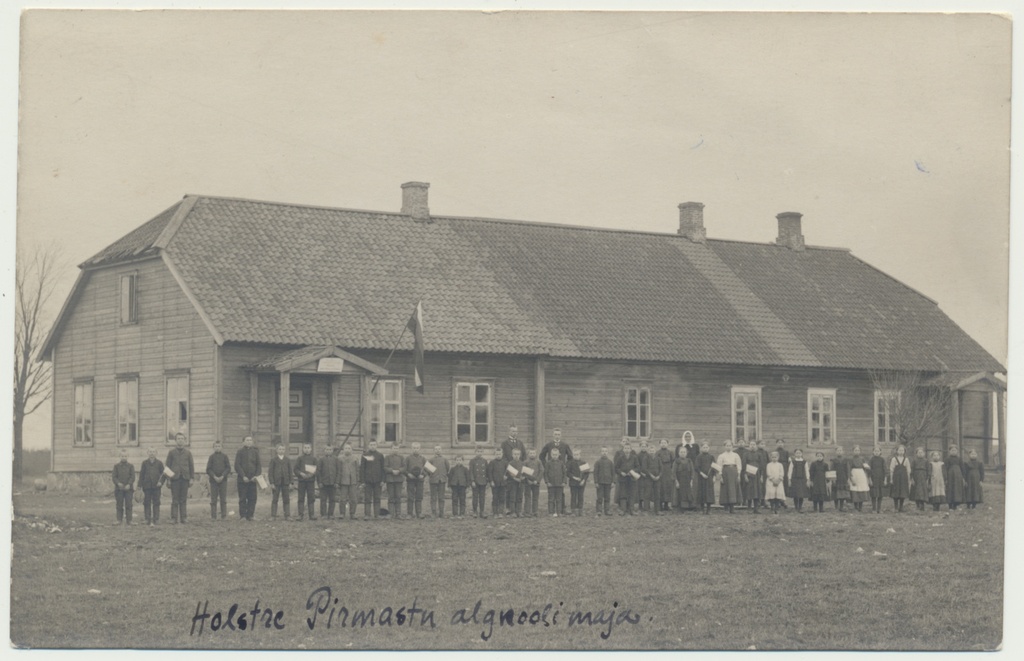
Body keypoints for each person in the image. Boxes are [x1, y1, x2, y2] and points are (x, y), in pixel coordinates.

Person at [165, 433, 195, 524]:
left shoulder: (188, 453)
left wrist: (191, 478)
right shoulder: (171, 452)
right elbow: (167, 467)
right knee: (175, 499)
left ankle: (183, 518)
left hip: (185, 478)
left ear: (184, 440)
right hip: (175, 479)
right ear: (175, 440)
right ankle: (174, 518)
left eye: (182, 438)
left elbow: (191, 466)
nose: (180, 440)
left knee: (183, 499)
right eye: (178, 438)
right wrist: (168, 479)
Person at [234, 435, 261, 521]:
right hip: (243, 480)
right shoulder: (240, 452)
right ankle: (243, 516)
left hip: (253, 479)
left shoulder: (255, 452)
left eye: (250, 440)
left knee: (252, 498)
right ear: (243, 442)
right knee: (242, 498)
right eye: (247, 440)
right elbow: (237, 465)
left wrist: (256, 476)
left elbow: (258, 466)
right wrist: (243, 476)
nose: (249, 442)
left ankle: (250, 515)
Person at [138, 447, 165, 526]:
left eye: (153, 452)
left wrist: (161, 482)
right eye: (150, 452)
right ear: (148, 453)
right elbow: (141, 475)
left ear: (156, 453)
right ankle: (147, 518)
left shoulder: (159, 463)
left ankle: (156, 519)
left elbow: (163, 475)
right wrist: (139, 485)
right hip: (147, 486)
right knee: (147, 502)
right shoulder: (144, 463)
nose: (152, 453)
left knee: (156, 502)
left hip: (156, 486)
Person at [360, 440, 386, 520]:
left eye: (374, 444)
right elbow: (362, 469)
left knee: (377, 498)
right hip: (368, 481)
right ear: (368, 445)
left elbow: (383, 469)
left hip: (378, 481)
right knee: (367, 498)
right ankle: (367, 514)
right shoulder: (365, 455)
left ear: (376, 446)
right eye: (371, 445)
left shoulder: (380, 455)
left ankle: (377, 514)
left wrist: (383, 480)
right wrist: (362, 481)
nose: (372, 446)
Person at [206, 441, 231, 520]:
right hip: (213, 481)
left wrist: (223, 476)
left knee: (223, 499)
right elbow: (208, 469)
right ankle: (213, 516)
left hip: (223, 481)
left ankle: (224, 515)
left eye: (219, 446)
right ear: (213, 448)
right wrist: (214, 476)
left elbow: (228, 468)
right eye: (216, 446)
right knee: (213, 499)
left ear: (222, 447)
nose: (217, 448)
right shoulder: (211, 457)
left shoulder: (225, 456)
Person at [294, 443, 318, 521]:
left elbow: (317, 469)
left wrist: (311, 475)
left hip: (310, 481)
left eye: (308, 448)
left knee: (311, 498)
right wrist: (301, 473)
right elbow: (295, 469)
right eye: (305, 447)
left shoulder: (314, 459)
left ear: (311, 449)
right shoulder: (299, 458)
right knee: (301, 498)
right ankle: (300, 515)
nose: (307, 449)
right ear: (303, 449)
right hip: (302, 481)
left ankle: (312, 514)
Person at [717, 440, 742, 513]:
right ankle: (726, 507)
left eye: (730, 445)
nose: (728, 447)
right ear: (724, 446)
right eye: (727, 446)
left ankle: (732, 507)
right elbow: (719, 466)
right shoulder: (721, 456)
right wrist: (720, 475)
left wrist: (739, 474)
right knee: (725, 489)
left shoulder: (735, 455)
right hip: (725, 472)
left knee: (733, 489)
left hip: (733, 472)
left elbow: (739, 465)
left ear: (732, 446)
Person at [403, 442, 427, 519]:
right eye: (414, 448)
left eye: (417, 448)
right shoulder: (408, 458)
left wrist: (423, 475)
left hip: (420, 480)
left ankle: (419, 513)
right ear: (411, 449)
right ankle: (409, 513)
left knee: (419, 496)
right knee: (410, 496)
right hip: (410, 480)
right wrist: (408, 474)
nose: (415, 450)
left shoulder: (423, 458)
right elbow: (404, 469)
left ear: (419, 449)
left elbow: (429, 469)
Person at [268, 444, 292, 519]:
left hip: (285, 482)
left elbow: (290, 472)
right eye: (280, 449)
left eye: (283, 449)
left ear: (285, 450)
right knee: (275, 499)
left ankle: (287, 515)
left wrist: (291, 482)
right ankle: (273, 515)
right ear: (276, 450)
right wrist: (272, 483)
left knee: (286, 499)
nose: (281, 451)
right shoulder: (273, 460)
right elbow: (270, 472)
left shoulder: (287, 460)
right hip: (276, 483)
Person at [112, 450, 135, 525]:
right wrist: (118, 483)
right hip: (119, 489)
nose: (124, 457)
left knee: (129, 504)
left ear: (127, 457)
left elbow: (133, 476)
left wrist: (129, 484)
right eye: (122, 456)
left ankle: (129, 520)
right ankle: (119, 520)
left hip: (129, 489)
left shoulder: (131, 466)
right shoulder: (116, 466)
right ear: (120, 457)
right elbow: (114, 477)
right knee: (119, 504)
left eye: (125, 456)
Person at [614, 440, 638, 515]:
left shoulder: (634, 457)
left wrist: (632, 472)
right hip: (623, 479)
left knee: (631, 493)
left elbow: (638, 467)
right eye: (625, 448)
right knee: (623, 494)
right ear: (623, 449)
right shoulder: (620, 458)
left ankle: (631, 510)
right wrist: (621, 472)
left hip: (631, 478)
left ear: (631, 449)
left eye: (628, 448)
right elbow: (616, 468)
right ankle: (623, 510)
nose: (627, 450)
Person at [317, 444, 340, 519]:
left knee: (332, 499)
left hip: (333, 483)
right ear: (324, 451)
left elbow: (338, 471)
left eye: (330, 450)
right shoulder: (321, 459)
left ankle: (331, 514)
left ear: (332, 451)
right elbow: (318, 472)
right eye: (327, 450)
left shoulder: (336, 459)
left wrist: (337, 482)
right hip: (324, 483)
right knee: (323, 499)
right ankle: (323, 514)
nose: (328, 451)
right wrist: (320, 482)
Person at [427, 445, 450, 519]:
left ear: (441, 450)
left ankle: (441, 512)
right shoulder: (431, 460)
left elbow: (447, 468)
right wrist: (432, 475)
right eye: (436, 449)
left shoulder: (444, 459)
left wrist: (443, 476)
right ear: (433, 450)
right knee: (433, 497)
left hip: (441, 480)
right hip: (433, 480)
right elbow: (426, 469)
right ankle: (433, 512)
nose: (437, 450)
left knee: (441, 497)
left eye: (439, 449)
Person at [338, 444, 359, 520]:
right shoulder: (340, 458)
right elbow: (339, 471)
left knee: (353, 499)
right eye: (346, 448)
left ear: (351, 449)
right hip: (343, 481)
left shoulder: (355, 458)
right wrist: (338, 481)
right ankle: (342, 513)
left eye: (349, 448)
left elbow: (357, 470)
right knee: (342, 498)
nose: (347, 449)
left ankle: (352, 513)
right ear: (343, 450)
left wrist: (357, 480)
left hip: (353, 481)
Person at [468, 444, 490, 518]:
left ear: (482, 452)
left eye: (481, 451)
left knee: (482, 497)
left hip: (483, 481)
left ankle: (482, 511)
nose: (479, 453)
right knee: (475, 497)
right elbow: (470, 472)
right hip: (475, 482)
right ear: (475, 452)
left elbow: (487, 472)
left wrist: (487, 480)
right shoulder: (472, 461)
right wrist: (472, 481)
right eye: (478, 451)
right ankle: (475, 511)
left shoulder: (484, 461)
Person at [544, 446, 567, 517]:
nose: (554, 456)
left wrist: (564, 482)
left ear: (559, 455)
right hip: (551, 484)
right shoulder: (548, 463)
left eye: (556, 454)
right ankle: (551, 512)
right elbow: (545, 473)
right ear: (551, 455)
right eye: (553, 454)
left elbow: (564, 473)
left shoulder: (561, 463)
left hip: (559, 484)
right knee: (551, 499)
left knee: (559, 499)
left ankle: (559, 512)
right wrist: (547, 482)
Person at [742, 439, 763, 513]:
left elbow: (761, 466)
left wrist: (761, 476)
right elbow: (744, 465)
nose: (752, 446)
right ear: (749, 446)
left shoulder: (759, 454)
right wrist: (745, 475)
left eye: (754, 445)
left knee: (757, 491)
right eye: (751, 445)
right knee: (749, 491)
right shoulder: (746, 454)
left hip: (757, 474)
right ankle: (749, 508)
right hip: (749, 474)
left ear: (756, 446)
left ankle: (756, 508)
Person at [384, 445, 405, 519]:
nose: (395, 450)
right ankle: (390, 513)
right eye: (394, 448)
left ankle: (398, 513)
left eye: (397, 448)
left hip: (399, 479)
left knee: (398, 496)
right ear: (391, 449)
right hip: (390, 479)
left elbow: (404, 467)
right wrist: (392, 471)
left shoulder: (401, 458)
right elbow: (385, 467)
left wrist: (399, 470)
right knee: (391, 496)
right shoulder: (387, 457)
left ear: (399, 449)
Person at [695, 442, 716, 515]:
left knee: (709, 493)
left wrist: (714, 477)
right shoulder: (699, 457)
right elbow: (697, 467)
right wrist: (702, 474)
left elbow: (714, 468)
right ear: (701, 448)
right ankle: (702, 509)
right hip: (701, 477)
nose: (705, 449)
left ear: (709, 448)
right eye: (704, 447)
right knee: (702, 492)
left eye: (707, 447)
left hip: (709, 477)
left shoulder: (711, 457)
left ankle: (709, 509)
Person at [654, 439, 675, 513]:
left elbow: (673, 462)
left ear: (667, 444)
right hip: (660, 471)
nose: (663, 444)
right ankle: (660, 505)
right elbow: (655, 462)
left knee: (667, 487)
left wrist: (671, 471)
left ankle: (666, 504)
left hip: (668, 471)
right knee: (661, 487)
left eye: (665, 443)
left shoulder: (670, 453)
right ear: (659, 444)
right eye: (662, 443)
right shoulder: (657, 453)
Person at [673, 444, 696, 512]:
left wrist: (691, 480)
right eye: (681, 452)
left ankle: (690, 506)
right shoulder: (676, 461)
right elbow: (674, 472)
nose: (683, 454)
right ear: (678, 453)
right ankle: (681, 507)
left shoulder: (689, 461)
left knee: (689, 492)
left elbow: (692, 470)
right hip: (680, 479)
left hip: (688, 479)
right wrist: (676, 481)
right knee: (680, 492)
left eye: (684, 452)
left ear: (686, 453)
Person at [567, 450, 590, 517]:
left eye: (577, 454)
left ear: (580, 455)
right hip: (573, 483)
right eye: (574, 455)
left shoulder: (583, 463)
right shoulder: (570, 463)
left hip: (581, 483)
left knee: (580, 496)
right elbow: (568, 473)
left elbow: (586, 473)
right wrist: (574, 477)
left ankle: (580, 510)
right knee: (573, 496)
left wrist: (583, 480)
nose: (576, 456)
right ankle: (573, 511)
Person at [593, 446, 615, 516]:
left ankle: (607, 510)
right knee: (599, 497)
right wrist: (596, 482)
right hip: (600, 482)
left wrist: (613, 482)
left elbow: (613, 473)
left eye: (605, 451)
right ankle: (599, 510)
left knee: (607, 497)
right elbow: (595, 473)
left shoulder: (610, 462)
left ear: (607, 452)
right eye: (603, 451)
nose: (604, 453)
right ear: (600, 452)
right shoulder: (598, 462)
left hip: (608, 482)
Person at [889, 445, 911, 512]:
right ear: (897, 451)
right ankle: (896, 507)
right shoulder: (894, 459)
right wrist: (891, 479)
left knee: (902, 492)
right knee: (896, 492)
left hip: (903, 478)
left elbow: (908, 469)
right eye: (899, 450)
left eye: (902, 450)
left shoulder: (906, 459)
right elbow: (891, 469)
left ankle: (901, 507)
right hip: (896, 478)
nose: (901, 452)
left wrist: (908, 478)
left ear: (904, 451)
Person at [522, 448, 544, 517]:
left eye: (533, 453)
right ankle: (527, 511)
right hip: (528, 483)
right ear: (528, 454)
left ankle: (535, 511)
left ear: (536, 454)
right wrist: (528, 480)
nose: (532, 455)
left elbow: (541, 471)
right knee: (527, 497)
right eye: (530, 453)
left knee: (535, 497)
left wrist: (537, 480)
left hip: (536, 483)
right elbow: (523, 472)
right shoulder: (525, 462)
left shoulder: (539, 462)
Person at [945, 446, 967, 511]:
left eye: (955, 450)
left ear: (957, 451)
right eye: (952, 450)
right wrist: (946, 478)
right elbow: (945, 469)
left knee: (957, 490)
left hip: (958, 476)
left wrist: (963, 477)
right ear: (949, 451)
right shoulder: (947, 459)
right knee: (950, 490)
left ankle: (956, 505)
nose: (953, 452)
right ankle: (950, 506)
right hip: (950, 476)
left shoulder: (959, 459)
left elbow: (963, 468)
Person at [635, 441, 655, 515]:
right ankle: (640, 505)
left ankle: (647, 505)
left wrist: (647, 473)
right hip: (640, 475)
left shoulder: (649, 455)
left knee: (648, 489)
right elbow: (637, 464)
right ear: (640, 447)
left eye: (645, 446)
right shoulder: (638, 455)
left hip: (647, 475)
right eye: (642, 446)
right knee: (640, 489)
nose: (643, 447)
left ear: (647, 447)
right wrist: (641, 472)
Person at [487, 447, 507, 518]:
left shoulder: (505, 462)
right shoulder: (492, 463)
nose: (498, 455)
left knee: (502, 497)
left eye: (500, 454)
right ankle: (495, 512)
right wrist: (491, 481)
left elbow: (507, 472)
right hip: (495, 484)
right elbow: (489, 473)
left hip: (503, 483)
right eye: (497, 454)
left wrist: (506, 477)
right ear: (494, 454)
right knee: (495, 497)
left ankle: (500, 512)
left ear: (502, 454)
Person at [848, 446, 870, 512]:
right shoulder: (850, 459)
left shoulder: (862, 459)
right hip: (854, 474)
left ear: (860, 451)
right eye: (855, 450)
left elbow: (865, 468)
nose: (857, 452)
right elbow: (849, 469)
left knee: (861, 489)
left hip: (861, 475)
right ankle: (855, 506)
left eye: (858, 450)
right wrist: (851, 478)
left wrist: (867, 469)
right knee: (855, 490)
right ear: (853, 451)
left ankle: (860, 506)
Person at [867, 445, 888, 514]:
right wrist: (869, 479)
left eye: (878, 451)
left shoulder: (882, 460)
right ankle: (874, 509)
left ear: (880, 452)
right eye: (875, 451)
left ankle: (879, 509)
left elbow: (885, 470)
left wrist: (885, 479)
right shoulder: (871, 460)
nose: (876, 452)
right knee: (874, 494)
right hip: (873, 479)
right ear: (873, 452)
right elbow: (869, 470)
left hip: (880, 479)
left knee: (880, 494)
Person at [787, 448, 809, 512]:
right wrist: (789, 479)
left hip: (802, 479)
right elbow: (790, 471)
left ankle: (800, 506)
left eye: (799, 453)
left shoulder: (804, 462)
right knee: (796, 493)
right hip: (795, 479)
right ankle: (796, 506)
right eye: (797, 453)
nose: (798, 454)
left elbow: (807, 471)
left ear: (802, 454)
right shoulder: (793, 462)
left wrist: (807, 479)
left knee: (801, 494)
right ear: (795, 454)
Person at [505, 447, 525, 517]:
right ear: (512, 455)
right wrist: (515, 478)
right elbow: (510, 474)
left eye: (518, 454)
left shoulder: (522, 463)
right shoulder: (510, 463)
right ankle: (512, 511)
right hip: (512, 483)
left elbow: (525, 473)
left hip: (520, 483)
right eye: (515, 454)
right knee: (512, 497)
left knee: (519, 497)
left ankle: (518, 511)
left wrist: (523, 477)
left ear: (520, 455)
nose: (516, 456)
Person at [831, 445, 851, 511]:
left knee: (842, 493)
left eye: (840, 450)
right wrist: (833, 478)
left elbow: (848, 469)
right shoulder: (834, 460)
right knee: (835, 492)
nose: (839, 452)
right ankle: (836, 506)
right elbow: (832, 469)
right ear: (836, 452)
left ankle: (841, 506)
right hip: (836, 478)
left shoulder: (845, 460)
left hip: (843, 478)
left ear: (843, 452)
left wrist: (848, 478)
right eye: (838, 451)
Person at [910, 446, 930, 511]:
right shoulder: (914, 461)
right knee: (917, 491)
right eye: (919, 452)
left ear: (924, 453)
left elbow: (928, 470)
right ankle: (917, 505)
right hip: (916, 476)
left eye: (921, 452)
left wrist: (927, 478)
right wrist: (912, 478)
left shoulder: (926, 461)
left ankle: (922, 505)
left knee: (923, 491)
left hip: (923, 476)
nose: (920, 454)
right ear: (916, 454)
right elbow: (912, 469)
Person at [775, 438, 791, 505]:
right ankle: (777, 501)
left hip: (784, 468)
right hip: (776, 468)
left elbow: (789, 461)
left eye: (781, 443)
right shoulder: (775, 452)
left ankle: (783, 500)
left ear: (783, 444)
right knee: (777, 484)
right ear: (776, 444)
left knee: (784, 484)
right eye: (779, 443)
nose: (780, 444)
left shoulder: (786, 452)